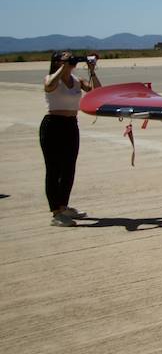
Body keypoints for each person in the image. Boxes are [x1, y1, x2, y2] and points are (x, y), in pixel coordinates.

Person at [41, 51, 100, 226]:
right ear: (57, 61)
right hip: (52, 125)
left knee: (69, 168)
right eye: (67, 58)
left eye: (72, 59)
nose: (72, 61)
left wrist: (92, 70)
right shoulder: (51, 78)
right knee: (54, 169)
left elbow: (97, 92)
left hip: (71, 125)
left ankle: (64, 206)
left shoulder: (77, 80)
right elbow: (49, 86)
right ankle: (56, 213)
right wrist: (62, 68)